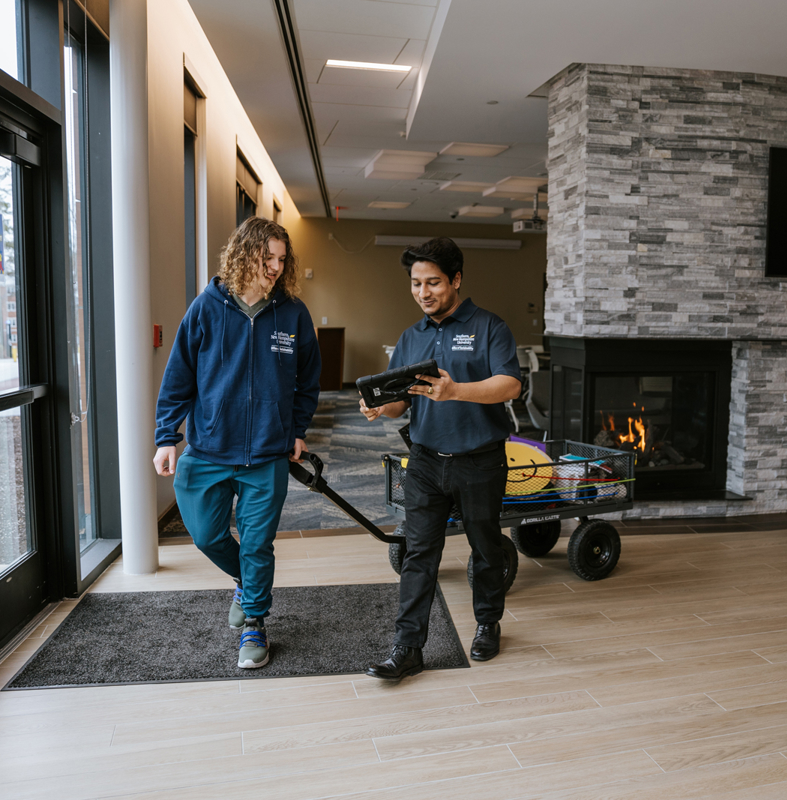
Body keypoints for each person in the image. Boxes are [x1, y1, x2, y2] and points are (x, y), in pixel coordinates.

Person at [153, 217, 321, 669]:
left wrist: (298, 429)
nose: (274, 267)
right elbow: (178, 378)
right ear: (244, 254)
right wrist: (167, 436)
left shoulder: (292, 313)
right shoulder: (206, 308)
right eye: (267, 257)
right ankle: (248, 585)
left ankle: (254, 623)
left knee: (256, 542)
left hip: (268, 452)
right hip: (208, 448)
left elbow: (309, 380)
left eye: (281, 259)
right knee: (206, 534)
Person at [360, 237, 521, 681]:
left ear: (456, 280)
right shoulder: (411, 337)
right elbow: (401, 404)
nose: (423, 292)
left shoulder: (490, 327)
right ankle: (407, 647)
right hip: (427, 461)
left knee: (486, 550)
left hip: (479, 460)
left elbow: (510, 385)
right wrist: (379, 408)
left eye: (433, 282)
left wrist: (457, 391)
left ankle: (488, 622)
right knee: (418, 553)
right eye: (415, 283)